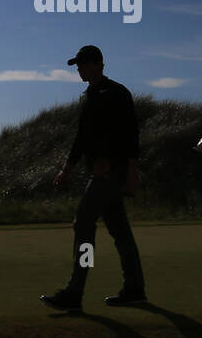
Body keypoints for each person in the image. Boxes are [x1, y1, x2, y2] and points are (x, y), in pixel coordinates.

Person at [41, 45, 146, 313]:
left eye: (84, 64)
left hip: (112, 173)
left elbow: (130, 135)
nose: (80, 69)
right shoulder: (89, 96)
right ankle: (134, 289)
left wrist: (132, 171)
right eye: (78, 65)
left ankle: (75, 292)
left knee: (84, 222)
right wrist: (68, 167)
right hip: (98, 172)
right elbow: (82, 137)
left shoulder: (117, 93)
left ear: (99, 64)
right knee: (119, 230)